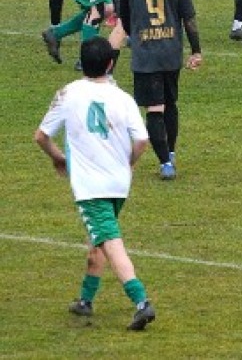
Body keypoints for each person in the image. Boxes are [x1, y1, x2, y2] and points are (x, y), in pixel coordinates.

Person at [34, 37, 157, 331]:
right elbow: (142, 140)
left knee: (110, 242)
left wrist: (58, 158)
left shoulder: (68, 94)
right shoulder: (123, 97)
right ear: (111, 63)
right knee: (98, 239)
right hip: (118, 183)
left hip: (91, 187)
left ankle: (141, 302)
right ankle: (85, 300)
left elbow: (41, 136)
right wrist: (128, 163)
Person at [117, 0, 203, 180]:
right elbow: (189, 19)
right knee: (170, 103)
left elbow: (124, 19)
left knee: (155, 108)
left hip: (145, 54)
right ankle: (171, 153)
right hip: (170, 51)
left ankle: (165, 163)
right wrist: (196, 50)